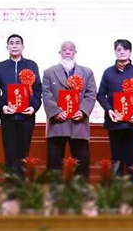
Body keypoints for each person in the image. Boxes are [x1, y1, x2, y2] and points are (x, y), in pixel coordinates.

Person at [42, 41, 97, 178]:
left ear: (75, 53)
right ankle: (55, 188)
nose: (67, 52)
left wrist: (83, 111)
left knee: (81, 161)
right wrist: (55, 112)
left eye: (71, 50)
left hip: (79, 123)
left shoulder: (87, 72)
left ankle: (81, 188)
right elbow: (46, 94)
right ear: (59, 53)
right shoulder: (49, 72)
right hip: (57, 123)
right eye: (64, 50)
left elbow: (91, 94)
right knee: (54, 161)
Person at [97, 39, 133, 178]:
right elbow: (100, 95)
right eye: (119, 49)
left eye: (125, 49)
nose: (122, 52)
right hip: (114, 122)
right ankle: (116, 187)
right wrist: (109, 110)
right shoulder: (108, 72)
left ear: (130, 52)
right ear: (115, 52)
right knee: (116, 157)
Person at [0, 34, 42, 175]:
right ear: (7, 47)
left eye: (17, 43)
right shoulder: (0, 67)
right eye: (12, 43)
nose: (14, 46)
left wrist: (34, 107)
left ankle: (22, 183)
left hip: (27, 116)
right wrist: (3, 106)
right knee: (9, 152)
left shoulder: (31, 65)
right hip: (8, 116)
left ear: (22, 46)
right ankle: (10, 183)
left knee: (24, 153)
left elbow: (38, 90)